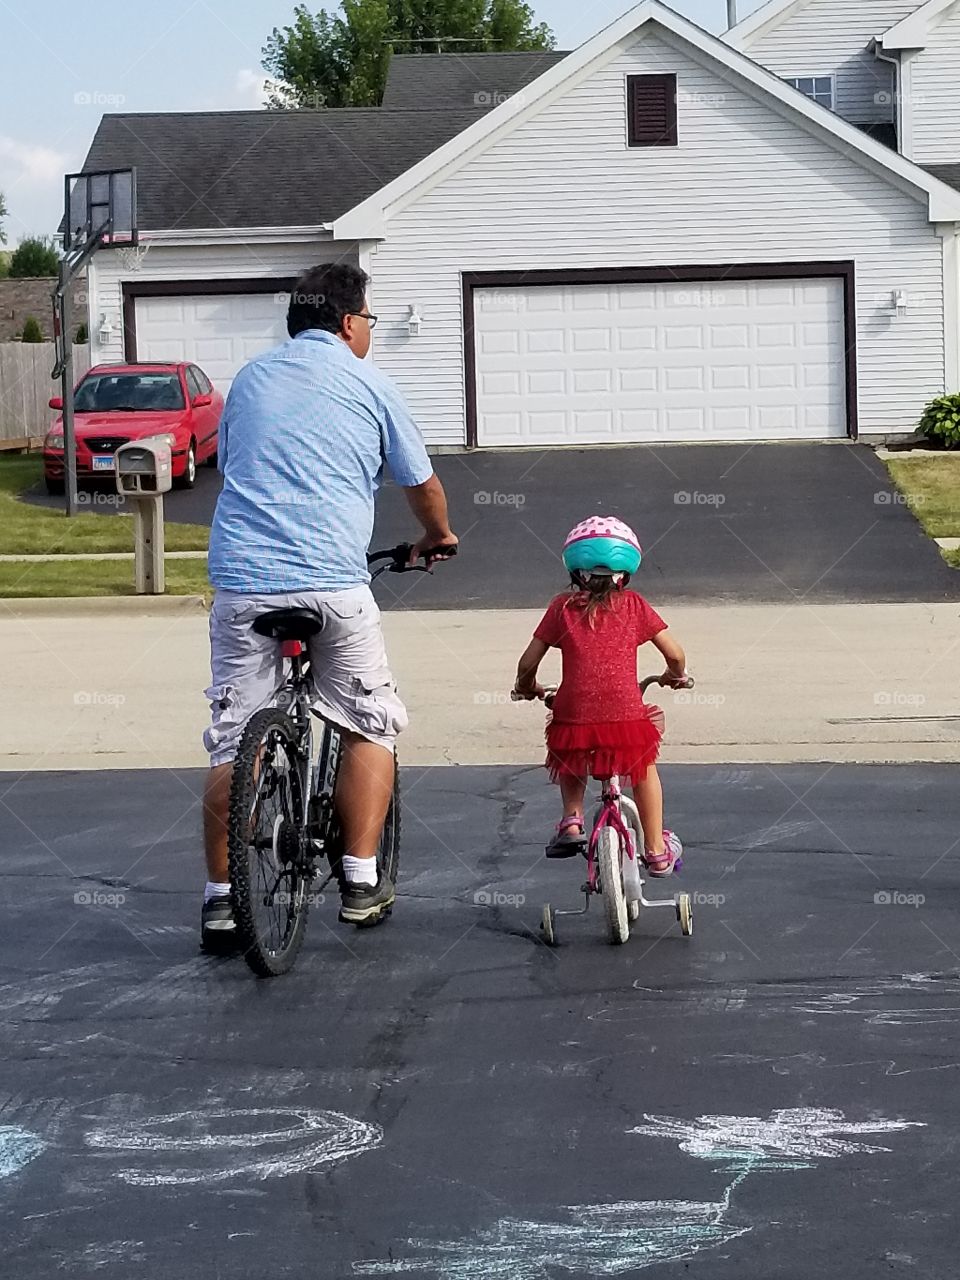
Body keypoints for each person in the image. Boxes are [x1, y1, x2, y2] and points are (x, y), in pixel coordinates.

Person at [200, 262, 458, 952]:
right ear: (349, 323)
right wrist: (437, 537)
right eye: (369, 320)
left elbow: (233, 464)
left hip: (243, 586)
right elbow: (421, 484)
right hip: (333, 588)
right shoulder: (372, 384)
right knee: (371, 721)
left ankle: (223, 903)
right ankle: (360, 879)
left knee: (234, 739)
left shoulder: (250, 380)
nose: (369, 332)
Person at [513, 516, 687, 874]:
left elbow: (528, 662)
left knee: (570, 748)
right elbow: (675, 654)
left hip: (575, 711)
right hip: (626, 712)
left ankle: (572, 821)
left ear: (575, 570)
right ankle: (655, 849)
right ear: (627, 571)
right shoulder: (635, 605)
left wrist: (527, 686)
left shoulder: (561, 608)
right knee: (642, 767)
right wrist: (675, 675)